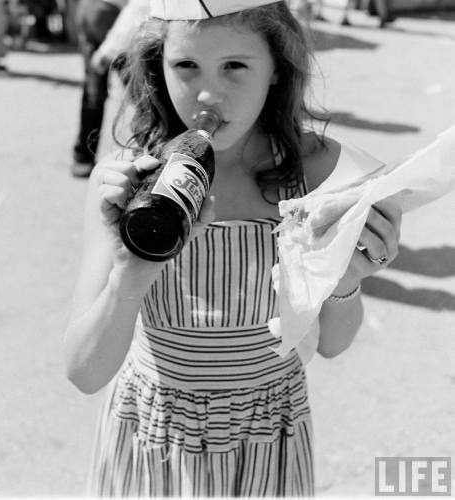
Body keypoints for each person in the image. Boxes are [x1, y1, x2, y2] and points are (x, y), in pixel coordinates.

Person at [63, 0, 402, 496]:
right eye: (186, 66)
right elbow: (84, 372)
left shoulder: (320, 174)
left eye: (236, 67)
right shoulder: (130, 180)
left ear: (276, 71)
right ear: (158, 68)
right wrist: (130, 268)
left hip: (267, 432)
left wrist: (347, 278)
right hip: (154, 434)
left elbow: (332, 343)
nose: (207, 92)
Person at [70, 0, 128, 178]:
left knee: (93, 89)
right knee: (142, 91)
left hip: (88, 8)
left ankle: (83, 157)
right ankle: (153, 152)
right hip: (114, 13)